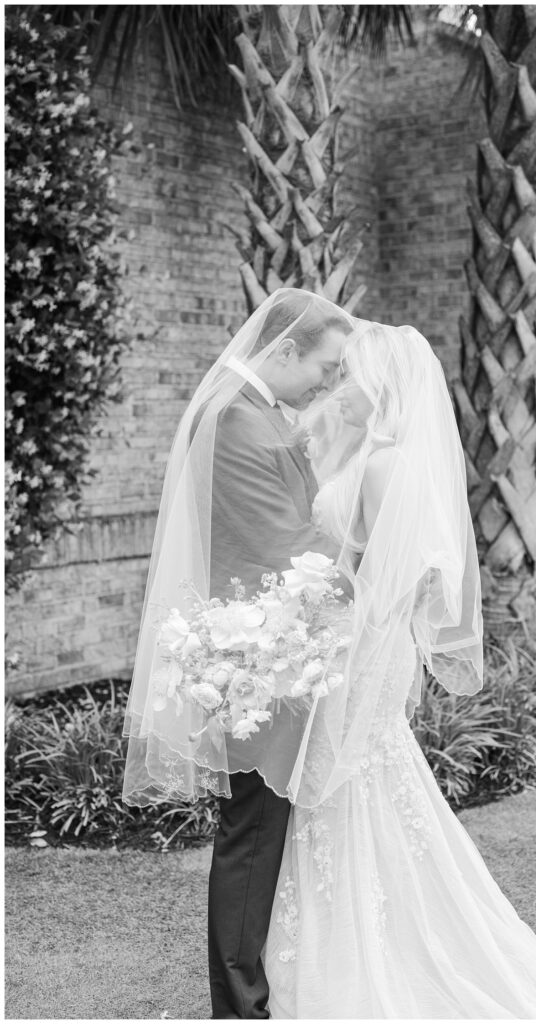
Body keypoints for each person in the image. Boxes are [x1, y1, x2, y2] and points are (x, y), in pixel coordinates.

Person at [259, 319, 536, 1018]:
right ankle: (347, 945)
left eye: (350, 376)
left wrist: (323, 634)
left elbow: (393, 583)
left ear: (382, 385)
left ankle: (362, 960)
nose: (339, 386)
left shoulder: (386, 462)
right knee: (355, 786)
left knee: (345, 782)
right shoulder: (371, 454)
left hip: (360, 650)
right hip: (356, 646)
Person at [122, 289, 355, 1018]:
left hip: (271, 651)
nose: (327, 381)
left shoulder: (255, 412)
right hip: (263, 663)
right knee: (253, 839)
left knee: (265, 834)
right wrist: (372, 560)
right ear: (284, 349)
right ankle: (240, 1005)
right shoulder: (235, 419)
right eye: (324, 363)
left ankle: (264, 991)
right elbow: (282, 549)